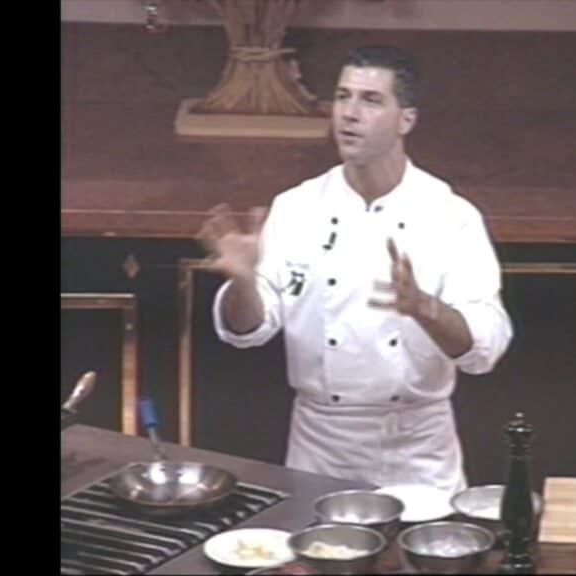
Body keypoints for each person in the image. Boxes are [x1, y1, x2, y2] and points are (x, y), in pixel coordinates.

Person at [196, 45, 512, 494]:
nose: (349, 113)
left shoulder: (450, 216)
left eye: (370, 100)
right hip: (319, 448)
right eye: (343, 97)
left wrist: (426, 309)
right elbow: (249, 330)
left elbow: (486, 348)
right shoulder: (297, 208)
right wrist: (243, 281)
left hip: (417, 451)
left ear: (407, 119)